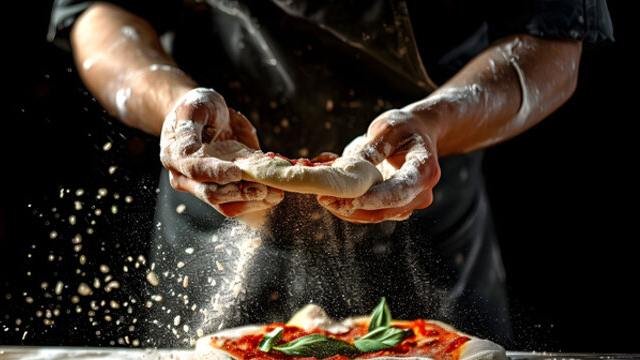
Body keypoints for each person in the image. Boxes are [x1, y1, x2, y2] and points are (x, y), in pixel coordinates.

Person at [48, 0, 612, 348]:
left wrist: (432, 124)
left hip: (419, 190)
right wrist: (174, 106)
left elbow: (555, 42)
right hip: (217, 194)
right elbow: (99, 13)